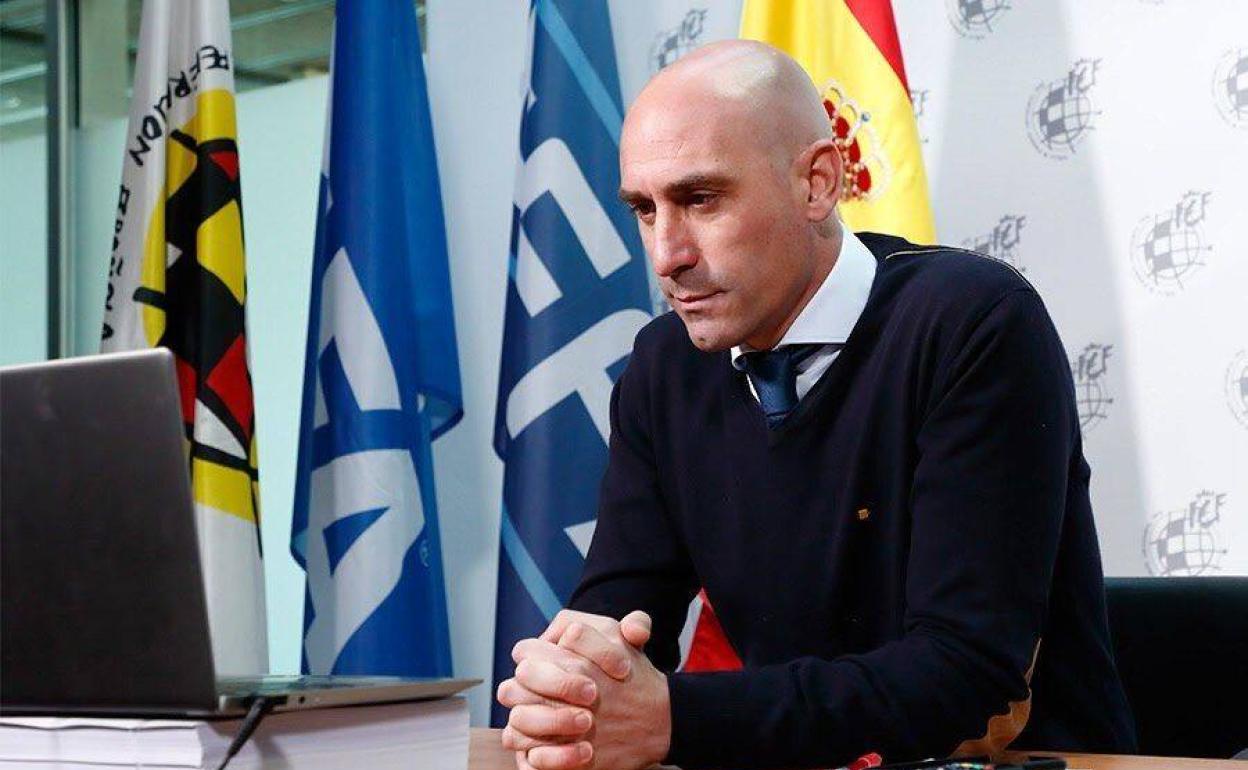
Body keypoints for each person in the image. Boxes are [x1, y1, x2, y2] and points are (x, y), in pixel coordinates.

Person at [495, 39, 1137, 770]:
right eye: (644, 209)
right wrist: (569, 693)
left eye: (701, 199)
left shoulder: (973, 323)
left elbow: (964, 676)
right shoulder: (664, 367)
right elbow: (614, 624)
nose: (667, 254)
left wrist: (674, 719)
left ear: (817, 183)